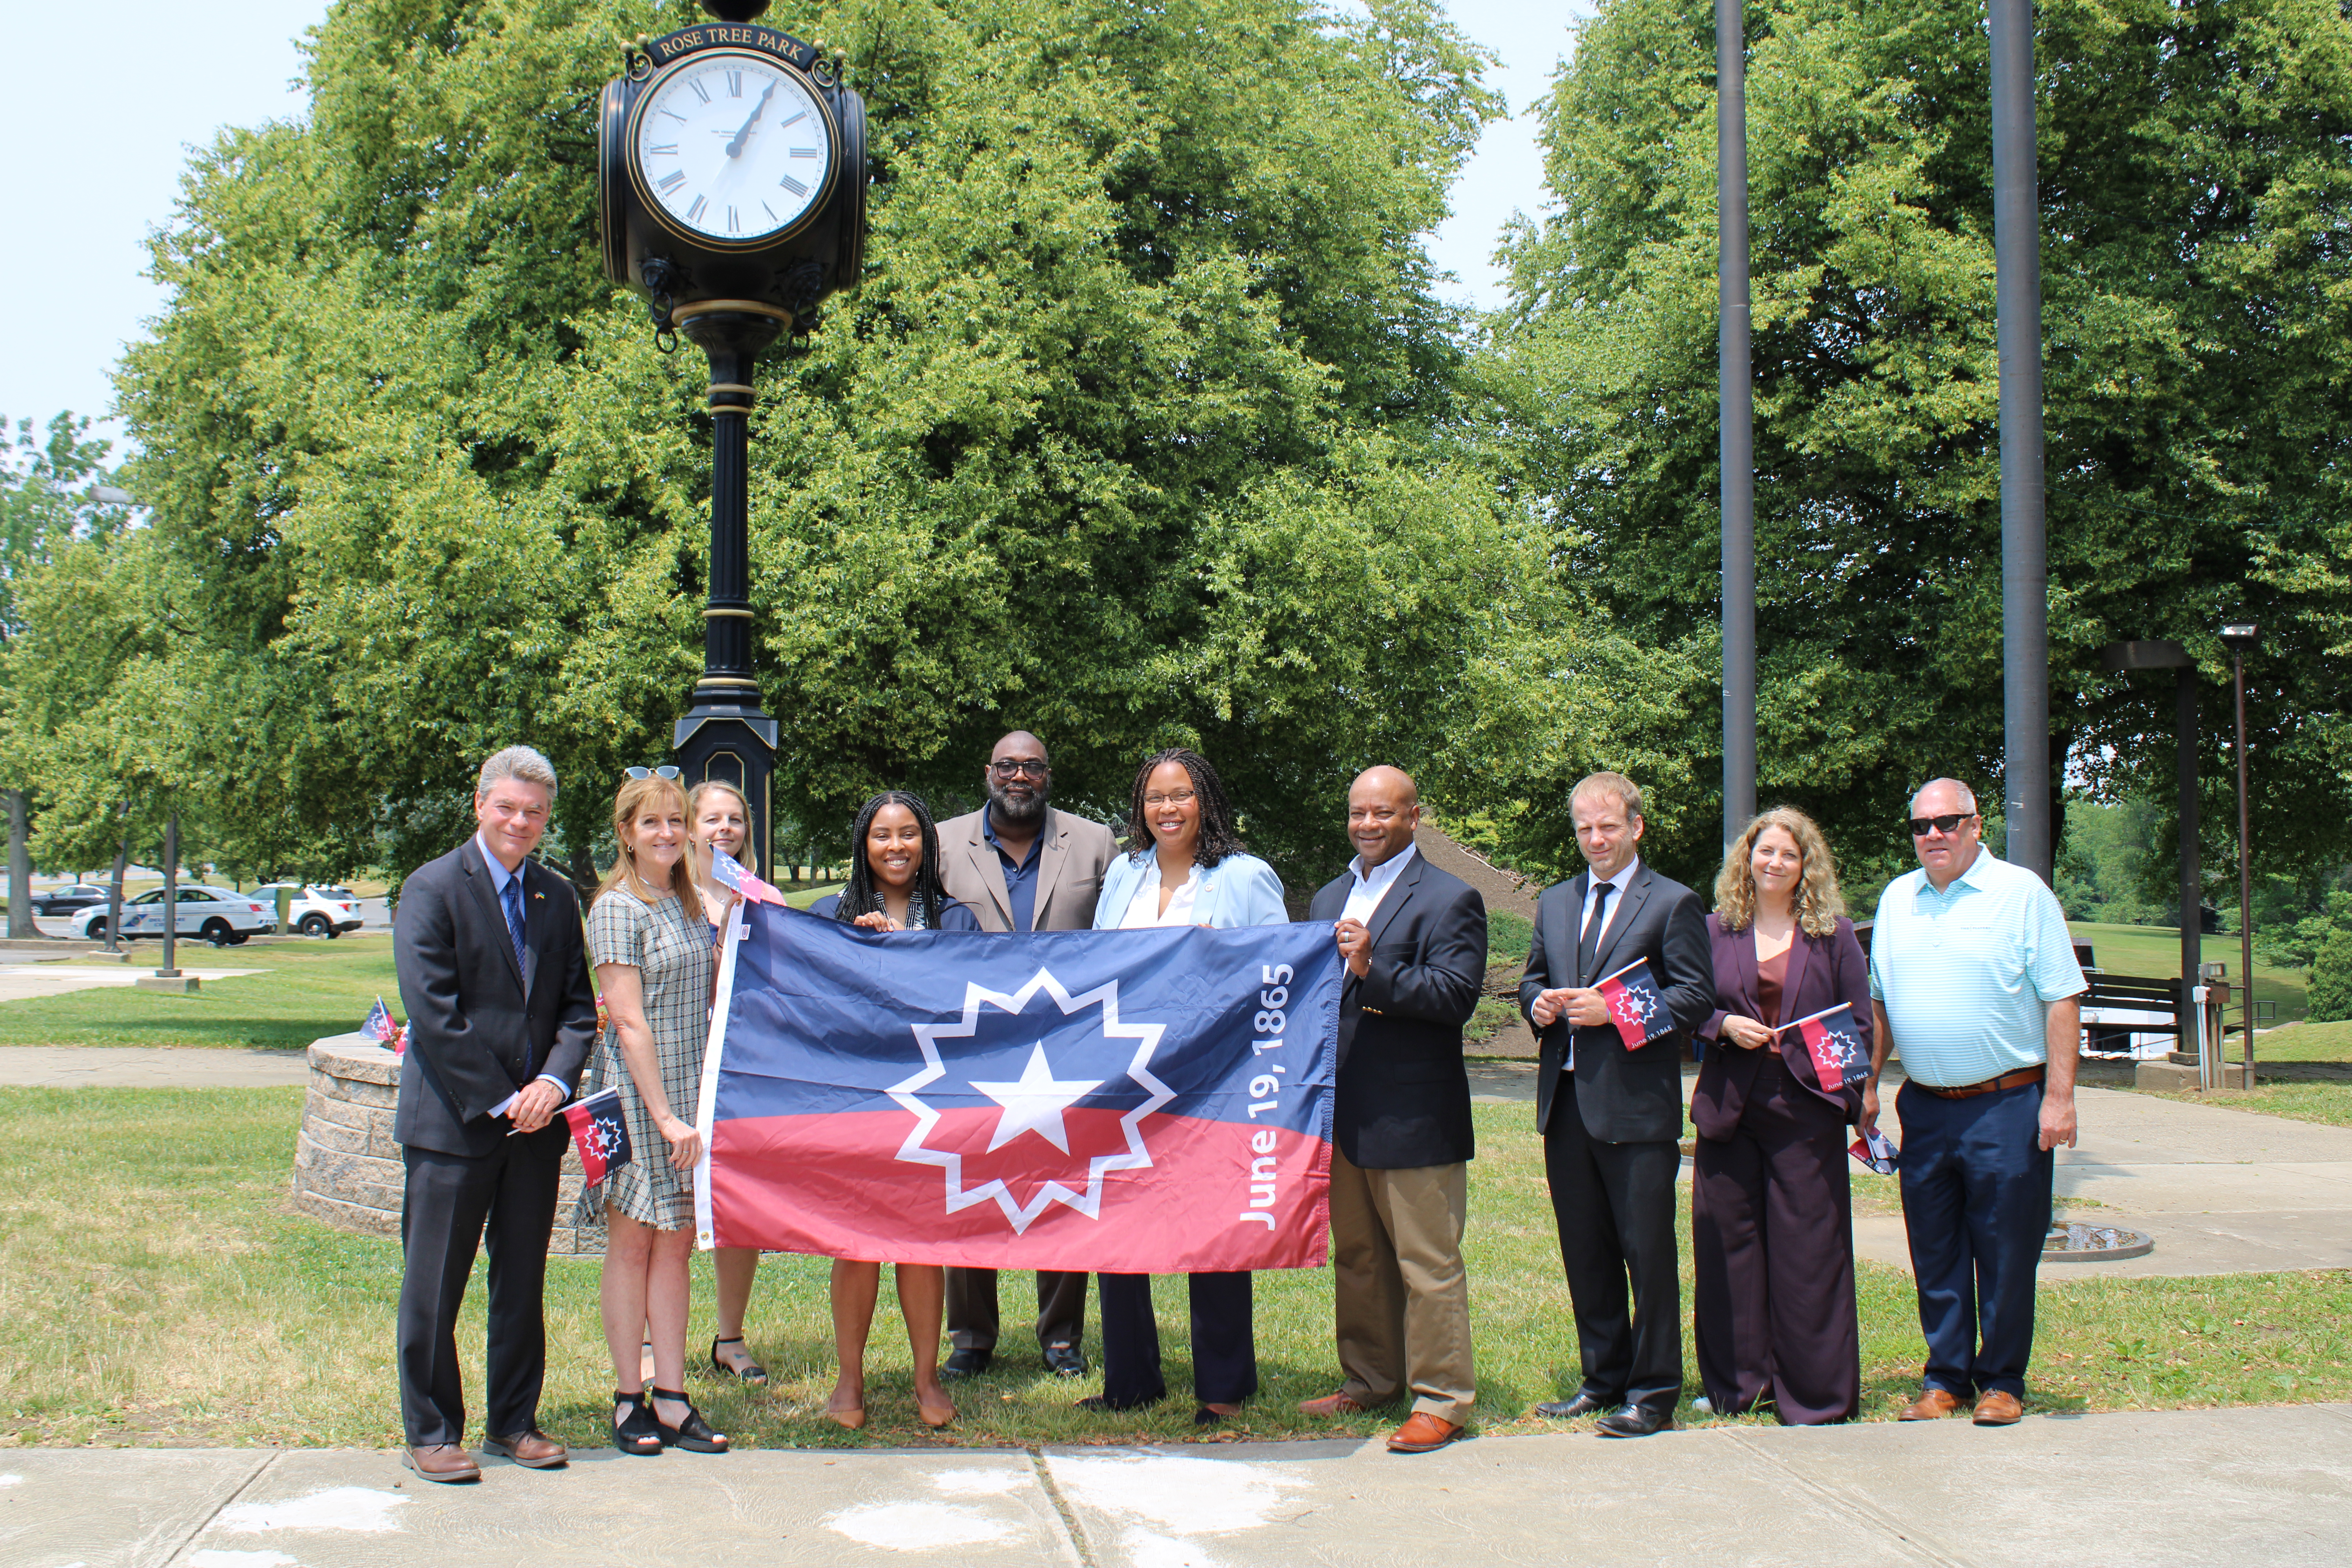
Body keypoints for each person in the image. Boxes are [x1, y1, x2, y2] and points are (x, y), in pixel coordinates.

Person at [391, 745, 598, 1483]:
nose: (521, 822)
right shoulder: (432, 888)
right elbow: (435, 1016)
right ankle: (433, 1430)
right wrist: (507, 1097)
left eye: (535, 812)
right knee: (435, 1284)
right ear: (480, 805)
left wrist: (552, 1083)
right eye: (508, 807)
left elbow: (578, 1008)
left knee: (521, 1283)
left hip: (536, 1134)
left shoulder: (555, 895)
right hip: (455, 1126)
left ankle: (514, 1423)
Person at [1866, 779, 2085, 1427]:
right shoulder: (1897, 900)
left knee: (2006, 1250)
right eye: (1921, 826)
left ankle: (2003, 1381)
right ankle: (1945, 1377)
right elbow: (1880, 1003)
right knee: (1934, 1248)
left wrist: (2060, 1098)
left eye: (1948, 822)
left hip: (2008, 1105)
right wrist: (1869, 1087)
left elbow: (2062, 997)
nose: (1934, 834)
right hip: (1926, 1106)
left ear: (1976, 824)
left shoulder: (2021, 895)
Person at [1084, 748, 1288, 1425]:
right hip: (1126, 1075)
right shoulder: (1123, 874)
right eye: (1153, 798)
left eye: (1180, 795)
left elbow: (1281, 973)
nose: (1166, 809)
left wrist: (1222, 961)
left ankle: (1224, 1387)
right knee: (1117, 1220)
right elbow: (1098, 965)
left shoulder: (1244, 876)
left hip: (1213, 1079)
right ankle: (1130, 1380)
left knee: (1213, 1222)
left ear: (1206, 800)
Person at [1298, 766, 1486, 1455]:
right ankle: (1371, 1379)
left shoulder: (1450, 898)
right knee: (1358, 1257)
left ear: (1413, 818)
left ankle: (1442, 1399)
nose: (1368, 824)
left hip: (1414, 1115)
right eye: (1358, 812)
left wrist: (1373, 968)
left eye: (1383, 813)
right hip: (1342, 1111)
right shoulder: (1329, 896)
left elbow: (1453, 999)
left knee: (1426, 1262)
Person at [1518, 771, 1712, 1437]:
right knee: (1587, 1251)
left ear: (1636, 827)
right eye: (1583, 829)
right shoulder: (1555, 901)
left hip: (1635, 1110)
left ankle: (1654, 1391)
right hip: (1567, 1103)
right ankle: (1601, 1379)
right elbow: (1535, 978)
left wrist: (1618, 1010)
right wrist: (1538, 1004)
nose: (1595, 839)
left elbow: (1694, 996)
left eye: (1607, 827)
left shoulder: (1674, 904)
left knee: (1647, 1255)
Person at [934, 730, 1120, 1379]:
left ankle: (1062, 1337)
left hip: (1068, 1043)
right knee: (969, 1186)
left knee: (1066, 1184)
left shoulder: (1095, 843)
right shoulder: (942, 840)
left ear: (1049, 775)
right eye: (1008, 765)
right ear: (989, 771)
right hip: (971, 1045)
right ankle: (971, 1337)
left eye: (1033, 767)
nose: (1020, 776)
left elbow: (1122, 938)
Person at [1692, 807, 1872, 1424]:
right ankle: (1736, 1389)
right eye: (1764, 851)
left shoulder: (1835, 933)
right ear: (1747, 858)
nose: (1774, 863)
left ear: (1806, 867)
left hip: (1807, 1108)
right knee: (1728, 1249)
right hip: (1729, 1109)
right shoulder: (1716, 929)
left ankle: (1815, 1396)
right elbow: (1688, 1005)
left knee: (1809, 1253)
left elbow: (1860, 1024)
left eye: (1789, 855)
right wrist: (1721, 1025)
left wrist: (1849, 1100)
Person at [810, 789, 979, 1428]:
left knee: (920, 1243)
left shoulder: (957, 920)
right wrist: (857, 950)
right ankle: (848, 1381)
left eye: (909, 834)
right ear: (863, 844)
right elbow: (816, 1003)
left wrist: (910, 952)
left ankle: (927, 1378)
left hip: (933, 1105)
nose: (896, 847)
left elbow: (976, 1006)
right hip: (857, 1103)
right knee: (854, 1245)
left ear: (927, 843)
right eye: (882, 835)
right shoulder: (831, 915)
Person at [579, 771, 729, 1457]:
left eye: (677, 821)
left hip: (691, 1096)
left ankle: (673, 1395)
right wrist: (667, 1118)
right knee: (633, 1244)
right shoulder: (617, 906)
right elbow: (629, 1024)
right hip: (638, 1099)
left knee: (676, 1246)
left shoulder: (690, 899)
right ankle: (627, 1397)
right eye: (652, 824)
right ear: (626, 833)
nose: (667, 833)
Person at [686, 779, 769, 1387]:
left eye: (735, 819)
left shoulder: (760, 898)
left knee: (736, 1202)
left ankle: (729, 1337)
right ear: (690, 826)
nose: (725, 829)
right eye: (711, 819)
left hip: (742, 1070)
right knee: (664, 1212)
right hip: (679, 1066)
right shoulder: (666, 894)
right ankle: (646, 1336)